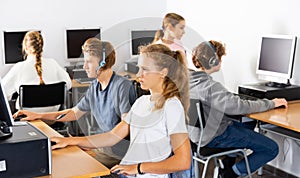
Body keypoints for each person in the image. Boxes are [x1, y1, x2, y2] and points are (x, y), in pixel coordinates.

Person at [49, 44, 192, 177]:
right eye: (139, 68)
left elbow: (183, 160)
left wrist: (138, 168)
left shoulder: (172, 106)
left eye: (145, 69)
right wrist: (70, 141)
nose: (138, 74)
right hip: (127, 172)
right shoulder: (141, 102)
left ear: (163, 72)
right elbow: (112, 136)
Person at [14, 38, 136, 168]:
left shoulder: (123, 87)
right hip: (101, 148)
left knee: (70, 164)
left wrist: (73, 141)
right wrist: (39, 115)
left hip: (117, 155)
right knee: (59, 157)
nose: (84, 67)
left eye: (89, 62)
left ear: (103, 63)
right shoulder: (95, 86)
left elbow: (121, 133)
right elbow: (74, 113)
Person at [189, 40, 288, 178]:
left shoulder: (187, 81)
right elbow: (238, 106)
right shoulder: (210, 87)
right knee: (272, 148)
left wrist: (232, 98)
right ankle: (229, 173)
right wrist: (271, 103)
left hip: (195, 137)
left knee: (249, 122)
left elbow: (227, 102)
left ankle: (228, 161)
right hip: (214, 137)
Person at [2, 31, 72, 112]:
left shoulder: (19, 67)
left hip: (28, 118)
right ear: (41, 46)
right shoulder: (53, 63)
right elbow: (68, 84)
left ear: (25, 47)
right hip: (52, 117)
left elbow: (4, 92)